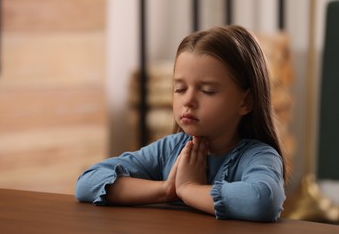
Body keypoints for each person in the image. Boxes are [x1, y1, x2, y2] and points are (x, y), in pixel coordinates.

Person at [75, 25, 287, 222]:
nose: (188, 101)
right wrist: (166, 189)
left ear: (246, 102)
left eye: (207, 91)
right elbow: (88, 183)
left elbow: (263, 201)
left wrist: (188, 188)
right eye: (180, 89)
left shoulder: (259, 156)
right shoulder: (170, 149)